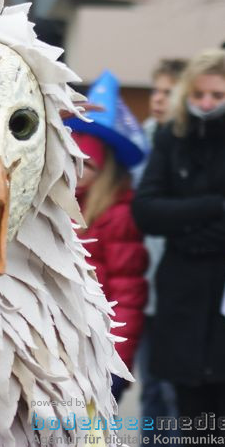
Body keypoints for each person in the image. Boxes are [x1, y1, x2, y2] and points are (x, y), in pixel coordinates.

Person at [132, 48, 225, 447]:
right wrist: (215, 206)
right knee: (192, 418)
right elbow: (146, 210)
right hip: (184, 296)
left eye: (216, 95)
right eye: (198, 95)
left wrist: (189, 234)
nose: (207, 103)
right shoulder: (171, 134)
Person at [66, 71, 148, 401]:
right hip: (58, 349)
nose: (76, 170)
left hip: (98, 353)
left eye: (87, 165)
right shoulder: (56, 210)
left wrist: (118, 362)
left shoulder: (118, 216)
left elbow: (128, 296)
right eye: (72, 160)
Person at [138, 58, 185, 447]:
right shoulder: (143, 140)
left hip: (172, 287)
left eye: (168, 93)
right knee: (150, 388)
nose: (158, 100)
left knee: (173, 391)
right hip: (142, 284)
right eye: (155, 91)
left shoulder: (187, 149)